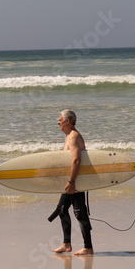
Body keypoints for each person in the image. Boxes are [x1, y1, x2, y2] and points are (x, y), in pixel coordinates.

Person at [52, 109, 93, 256]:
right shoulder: (69, 136)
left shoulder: (74, 137)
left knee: (79, 213)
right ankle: (66, 244)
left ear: (67, 121)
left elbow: (76, 160)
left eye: (60, 119)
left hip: (76, 181)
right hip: (73, 181)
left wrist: (72, 182)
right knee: (62, 210)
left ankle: (87, 247)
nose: (58, 122)